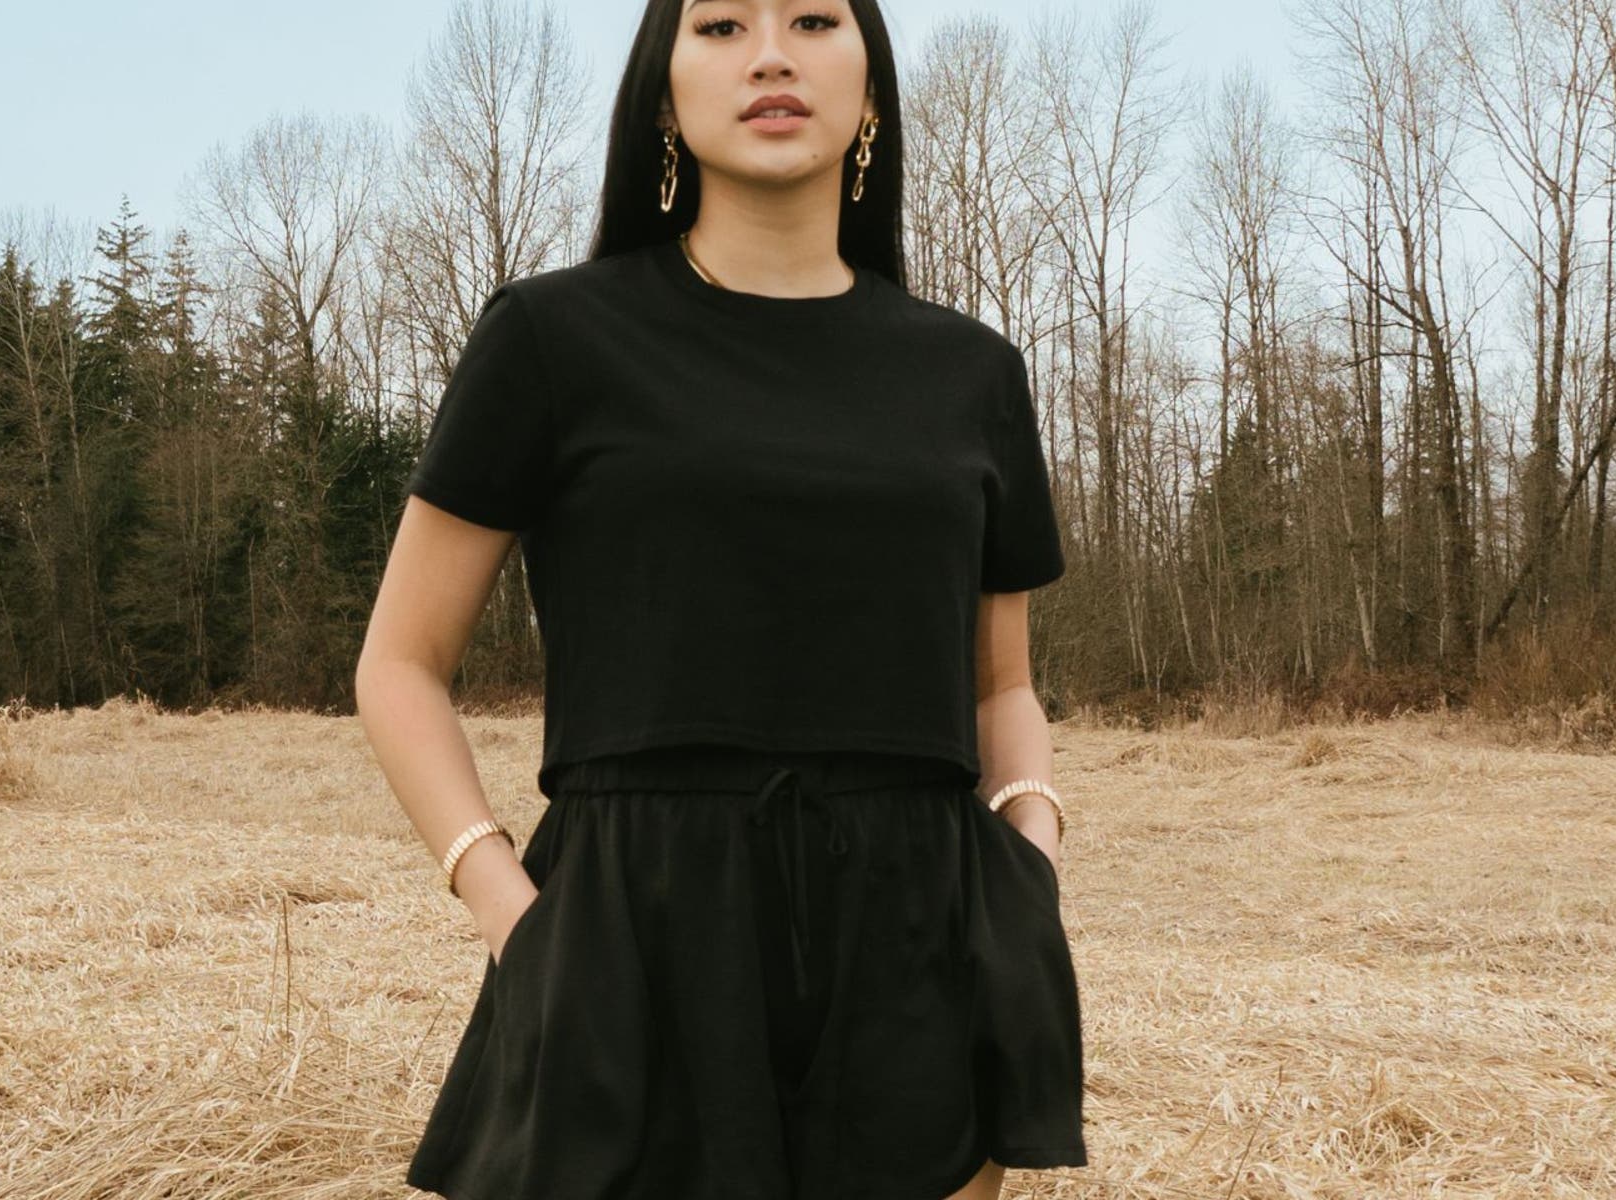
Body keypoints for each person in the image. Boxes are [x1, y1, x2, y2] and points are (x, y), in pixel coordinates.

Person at [354, 1, 1081, 1195]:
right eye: (720, 24)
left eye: (810, 17)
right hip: (632, 943)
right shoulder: (552, 340)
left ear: (870, 86)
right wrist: (513, 913)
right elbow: (398, 663)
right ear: (660, 91)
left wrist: (1027, 863)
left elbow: (1000, 682)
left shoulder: (971, 374)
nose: (770, 53)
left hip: (916, 943)